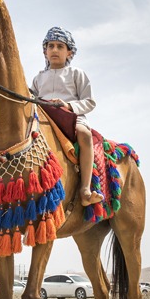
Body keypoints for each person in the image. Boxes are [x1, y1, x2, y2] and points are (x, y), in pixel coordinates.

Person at [31, 26, 102, 206]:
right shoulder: (38, 78)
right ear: (45, 51)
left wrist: (68, 105)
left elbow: (90, 102)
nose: (55, 50)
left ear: (69, 52)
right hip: (44, 119)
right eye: (51, 46)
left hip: (72, 118)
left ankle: (85, 189)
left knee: (84, 134)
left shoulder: (77, 74)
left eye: (60, 46)